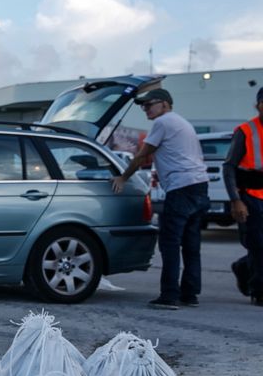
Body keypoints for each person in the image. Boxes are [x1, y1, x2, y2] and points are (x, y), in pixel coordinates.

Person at [112, 88, 209, 310]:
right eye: (143, 106)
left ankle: (168, 296)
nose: (145, 109)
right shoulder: (182, 122)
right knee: (191, 245)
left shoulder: (163, 122)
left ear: (165, 104)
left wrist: (123, 177)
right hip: (199, 186)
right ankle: (190, 294)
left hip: (181, 188)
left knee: (170, 244)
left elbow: (143, 154)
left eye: (149, 104)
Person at [223, 87, 263, 306]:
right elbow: (229, 167)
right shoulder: (246, 131)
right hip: (250, 196)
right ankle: (259, 291)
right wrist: (235, 199)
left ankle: (242, 267)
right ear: (257, 105)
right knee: (258, 244)